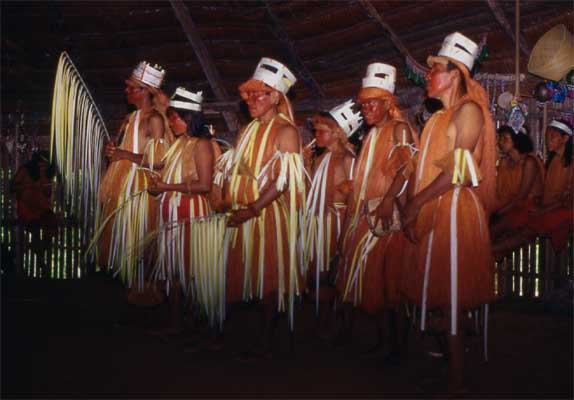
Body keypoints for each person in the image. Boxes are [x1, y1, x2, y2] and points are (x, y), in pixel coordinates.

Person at [401, 32, 497, 392]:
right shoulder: (437, 119)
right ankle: (450, 365)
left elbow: (457, 172)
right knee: (441, 296)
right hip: (434, 206)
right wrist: (413, 204)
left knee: (453, 297)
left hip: (455, 210)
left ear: (455, 73)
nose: (427, 76)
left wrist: (415, 203)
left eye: (434, 70)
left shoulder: (469, 111)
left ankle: (457, 382)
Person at [215, 57, 305, 358]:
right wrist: (228, 201)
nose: (251, 100)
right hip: (243, 213)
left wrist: (253, 209)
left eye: (259, 94)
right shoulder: (248, 130)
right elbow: (238, 171)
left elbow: (283, 182)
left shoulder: (286, 132)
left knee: (268, 278)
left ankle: (266, 341)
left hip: (268, 215)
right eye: (249, 94)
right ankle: (245, 336)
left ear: (275, 96)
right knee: (243, 274)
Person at [336, 63, 417, 361]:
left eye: (374, 103)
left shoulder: (399, 128)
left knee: (390, 286)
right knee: (374, 286)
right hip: (366, 217)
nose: (367, 108)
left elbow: (408, 168)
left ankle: (398, 348)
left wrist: (387, 200)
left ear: (387, 103)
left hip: (386, 218)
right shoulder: (371, 134)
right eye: (364, 103)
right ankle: (387, 343)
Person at [97, 61, 170, 299]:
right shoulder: (129, 119)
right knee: (126, 238)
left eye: (133, 88)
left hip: (142, 187)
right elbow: (122, 150)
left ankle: (149, 292)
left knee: (143, 239)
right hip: (123, 185)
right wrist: (113, 151)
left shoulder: (155, 119)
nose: (127, 91)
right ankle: (133, 290)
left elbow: (160, 162)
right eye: (128, 88)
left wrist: (124, 154)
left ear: (147, 91)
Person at [145, 87, 215, 335]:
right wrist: (159, 189)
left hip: (192, 212)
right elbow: (166, 173)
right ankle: (175, 323)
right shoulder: (177, 145)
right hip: (172, 212)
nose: (170, 122)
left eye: (174, 117)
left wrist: (167, 186)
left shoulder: (202, 145)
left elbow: (205, 185)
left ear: (189, 118)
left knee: (192, 270)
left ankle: (199, 326)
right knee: (173, 270)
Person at [303, 100, 358, 336]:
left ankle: (341, 326)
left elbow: (354, 196)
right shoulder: (320, 158)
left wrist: (346, 229)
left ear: (337, 133)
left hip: (336, 221)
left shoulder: (348, 158)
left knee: (335, 274)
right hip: (318, 222)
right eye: (315, 130)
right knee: (318, 275)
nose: (316, 134)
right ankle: (323, 322)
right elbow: (311, 190)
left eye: (321, 131)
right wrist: (305, 163)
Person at [493, 120, 573, 255]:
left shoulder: (570, 162)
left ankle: (487, 252)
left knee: (526, 229)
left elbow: (566, 198)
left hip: (564, 210)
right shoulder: (553, 160)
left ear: (565, 139)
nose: (548, 140)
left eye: (552, 136)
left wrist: (542, 210)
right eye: (547, 136)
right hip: (547, 207)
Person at [491, 126, 544, 243]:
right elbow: (500, 192)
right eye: (500, 138)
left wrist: (498, 213)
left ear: (517, 140)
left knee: (495, 232)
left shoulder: (529, 162)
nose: (500, 142)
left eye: (505, 138)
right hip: (509, 206)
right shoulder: (504, 162)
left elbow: (522, 197)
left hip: (526, 208)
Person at [11, 150, 59, 276]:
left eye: (45, 166)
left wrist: (44, 184)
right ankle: (40, 257)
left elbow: (48, 194)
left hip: (42, 208)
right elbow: (12, 187)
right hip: (26, 208)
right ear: (35, 163)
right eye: (40, 165)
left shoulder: (46, 174)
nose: (42, 167)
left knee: (53, 225)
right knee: (35, 228)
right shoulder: (24, 170)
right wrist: (28, 186)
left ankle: (40, 252)